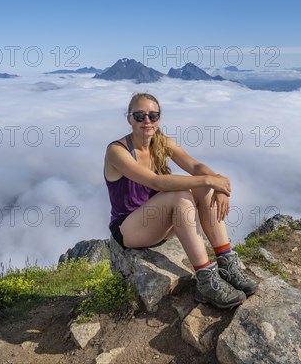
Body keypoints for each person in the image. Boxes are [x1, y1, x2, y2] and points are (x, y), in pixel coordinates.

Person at [104, 92, 257, 309]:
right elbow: (156, 182)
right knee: (183, 193)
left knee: (201, 185)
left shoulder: (161, 142)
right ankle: (206, 281)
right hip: (129, 228)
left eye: (153, 116)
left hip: (159, 223)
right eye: (139, 116)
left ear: (159, 118)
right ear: (129, 119)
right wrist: (211, 181)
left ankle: (226, 263)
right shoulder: (117, 151)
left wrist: (217, 183)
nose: (147, 121)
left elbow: (195, 167)